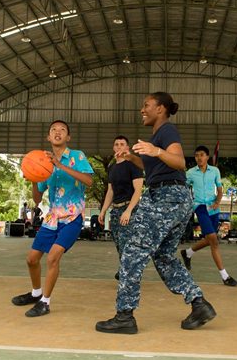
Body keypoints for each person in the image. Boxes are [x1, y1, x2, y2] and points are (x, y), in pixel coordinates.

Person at [96, 92, 216, 334]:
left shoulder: (167, 131)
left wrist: (156, 150)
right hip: (176, 199)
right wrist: (133, 157)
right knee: (163, 256)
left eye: (147, 105)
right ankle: (198, 303)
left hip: (166, 197)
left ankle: (125, 315)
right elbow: (155, 166)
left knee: (133, 249)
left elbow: (180, 162)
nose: (142, 109)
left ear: (160, 109)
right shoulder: (157, 136)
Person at [11, 120, 94, 317]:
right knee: (31, 260)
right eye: (53, 130)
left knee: (53, 257)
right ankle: (36, 293)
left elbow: (89, 181)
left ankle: (45, 302)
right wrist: (32, 179)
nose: (58, 132)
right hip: (52, 217)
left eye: (62, 130)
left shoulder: (77, 157)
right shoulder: (43, 162)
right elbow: (37, 199)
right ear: (48, 137)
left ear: (68, 137)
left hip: (73, 216)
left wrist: (60, 165)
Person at [181, 146, 237, 286]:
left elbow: (219, 189)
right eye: (196, 155)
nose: (199, 158)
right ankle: (225, 276)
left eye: (202, 155)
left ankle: (188, 253)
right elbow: (183, 187)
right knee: (214, 240)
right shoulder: (190, 173)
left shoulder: (215, 171)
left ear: (207, 157)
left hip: (214, 208)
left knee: (209, 239)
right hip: (200, 207)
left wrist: (218, 202)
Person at [98, 135, 144, 280]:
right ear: (113, 148)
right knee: (119, 243)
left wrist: (129, 211)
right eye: (116, 144)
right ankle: (126, 269)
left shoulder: (133, 165)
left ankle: (129, 273)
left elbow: (138, 190)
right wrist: (104, 210)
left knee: (127, 244)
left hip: (129, 208)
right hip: (116, 210)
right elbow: (110, 191)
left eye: (122, 144)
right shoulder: (112, 167)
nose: (119, 147)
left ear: (127, 148)